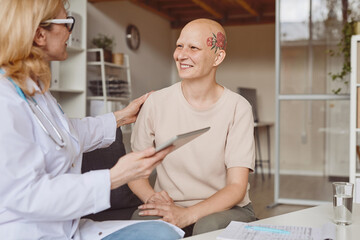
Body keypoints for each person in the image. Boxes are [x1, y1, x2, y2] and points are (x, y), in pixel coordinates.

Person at [0, 0, 184, 239]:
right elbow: (25, 194)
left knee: (165, 232)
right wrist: (115, 176)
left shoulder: (34, 90)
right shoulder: (5, 101)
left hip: (65, 227)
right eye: (68, 23)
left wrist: (122, 117)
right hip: (31, 232)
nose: (70, 32)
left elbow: (65, 133)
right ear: (39, 35)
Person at [129, 18, 257, 236]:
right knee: (141, 225)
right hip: (170, 204)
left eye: (193, 48)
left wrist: (187, 215)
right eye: (179, 45)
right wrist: (154, 199)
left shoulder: (238, 107)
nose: (181, 55)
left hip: (226, 209)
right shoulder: (155, 102)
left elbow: (236, 187)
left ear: (218, 57)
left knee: (206, 227)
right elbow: (135, 172)